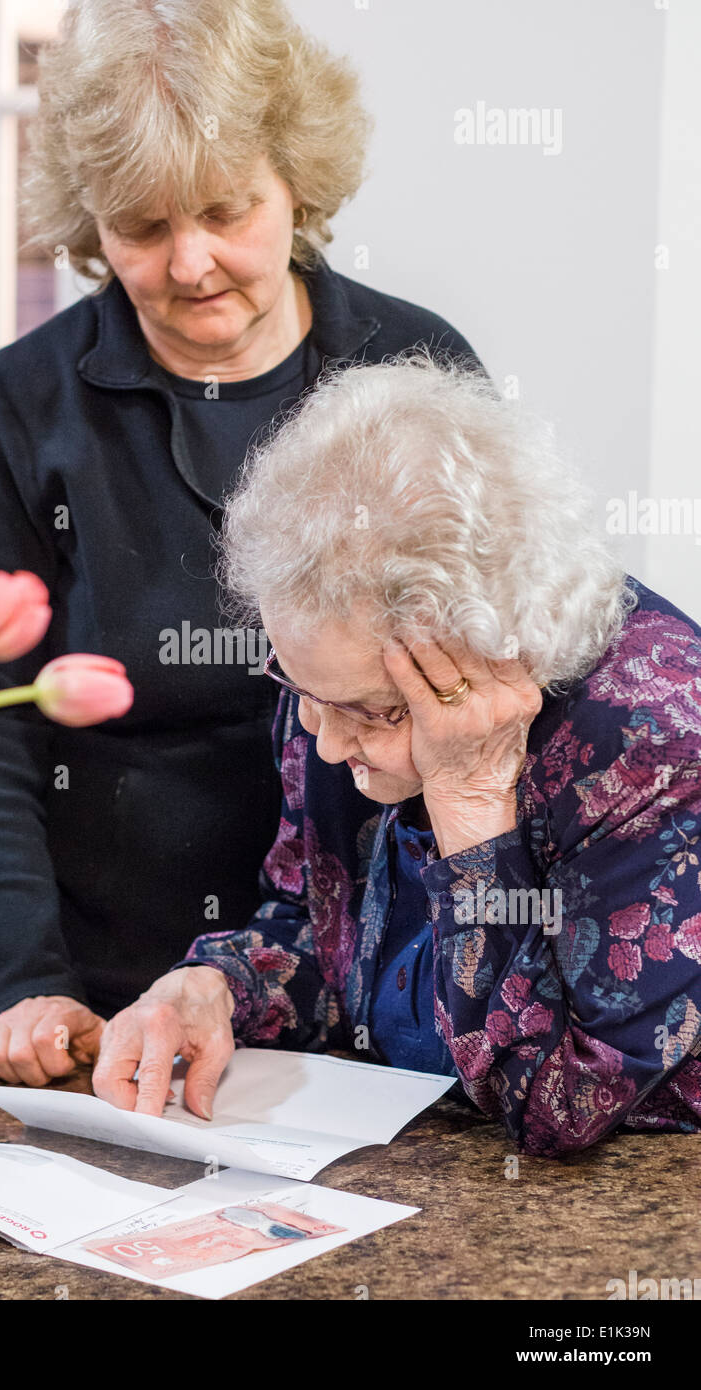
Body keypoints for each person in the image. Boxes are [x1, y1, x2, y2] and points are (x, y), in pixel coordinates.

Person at [0, 0, 484, 1085]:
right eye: (145, 226)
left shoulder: (413, 373)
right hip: (91, 1001)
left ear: (296, 182)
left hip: (371, 1003)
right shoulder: (17, 411)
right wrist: (19, 982)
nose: (193, 262)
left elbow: (486, 689)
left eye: (227, 209)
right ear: (91, 220)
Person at [92, 355, 701, 1158]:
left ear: (490, 653)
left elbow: (563, 1105)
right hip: (410, 1159)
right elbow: (317, 923)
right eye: (299, 687)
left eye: (371, 713)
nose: (325, 739)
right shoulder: (334, 675)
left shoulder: (654, 745)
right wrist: (212, 990)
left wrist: (472, 797)